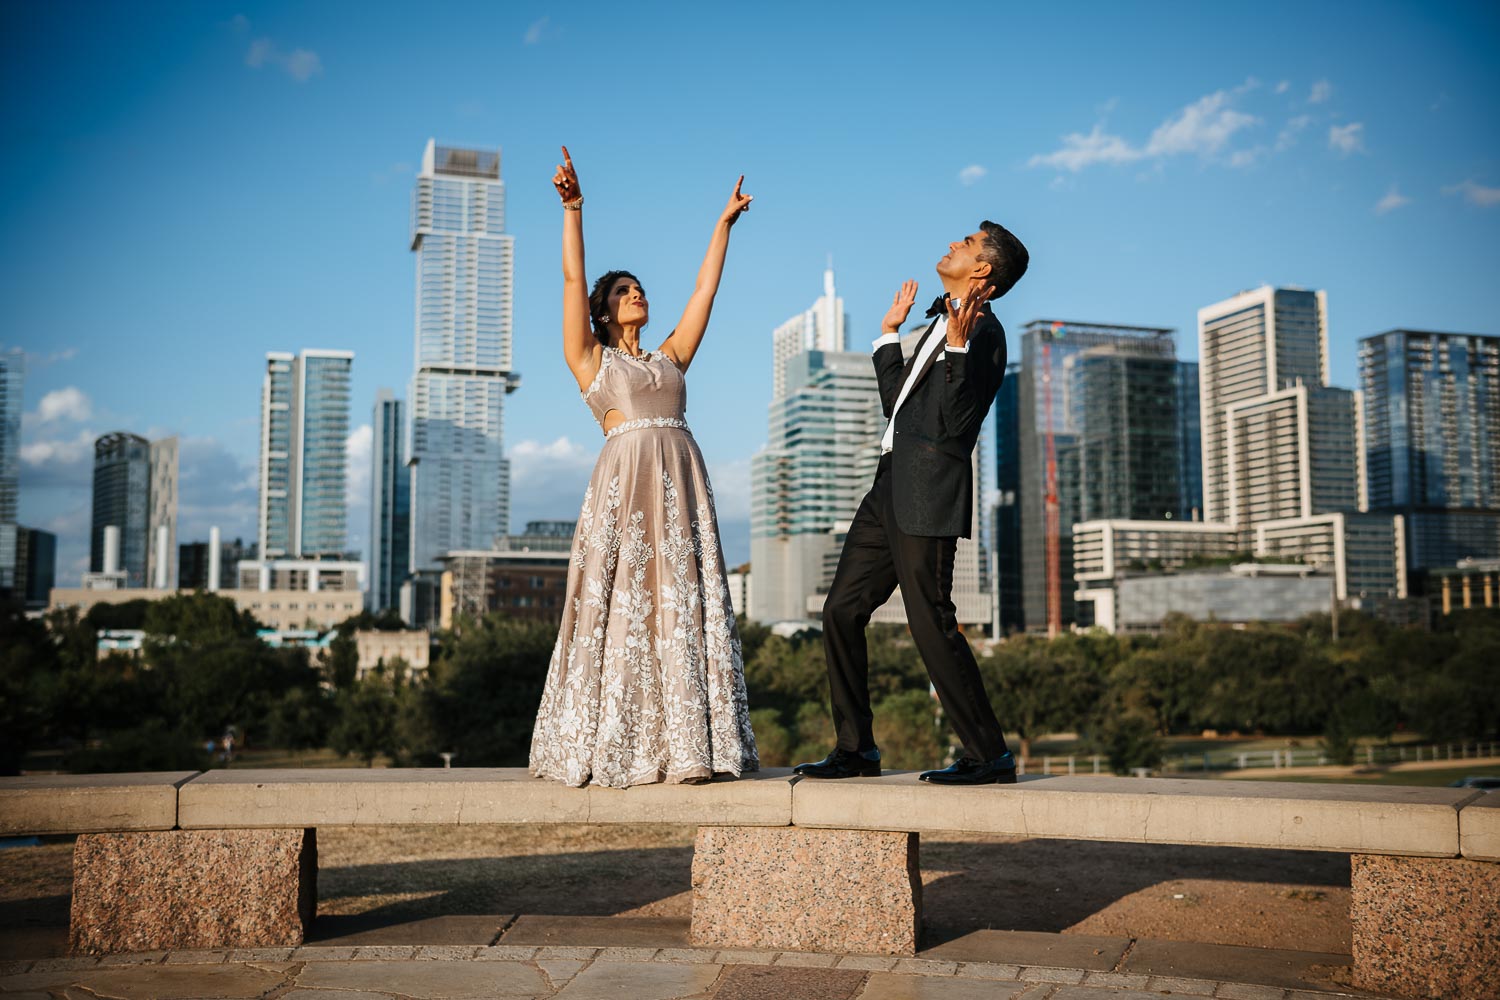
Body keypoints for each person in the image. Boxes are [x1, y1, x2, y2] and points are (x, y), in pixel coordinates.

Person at [529, 147, 760, 788]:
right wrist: (574, 209)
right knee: (621, 606)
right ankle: (613, 743)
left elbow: (704, 290)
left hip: (680, 490)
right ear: (606, 311)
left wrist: (722, 226)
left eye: (639, 288)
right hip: (625, 492)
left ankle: (690, 746)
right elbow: (574, 284)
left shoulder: (671, 359)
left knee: (682, 604)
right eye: (625, 291)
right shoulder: (591, 360)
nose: (638, 294)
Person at [794, 223, 1029, 785]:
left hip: (927, 492)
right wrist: (887, 335)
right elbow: (898, 409)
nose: (954, 243)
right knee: (840, 611)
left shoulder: (983, 335)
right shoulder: (938, 325)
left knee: (930, 621)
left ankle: (988, 754)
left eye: (968, 244)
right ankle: (856, 749)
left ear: (983, 272)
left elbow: (954, 423)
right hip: (888, 484)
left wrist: (956, 344)